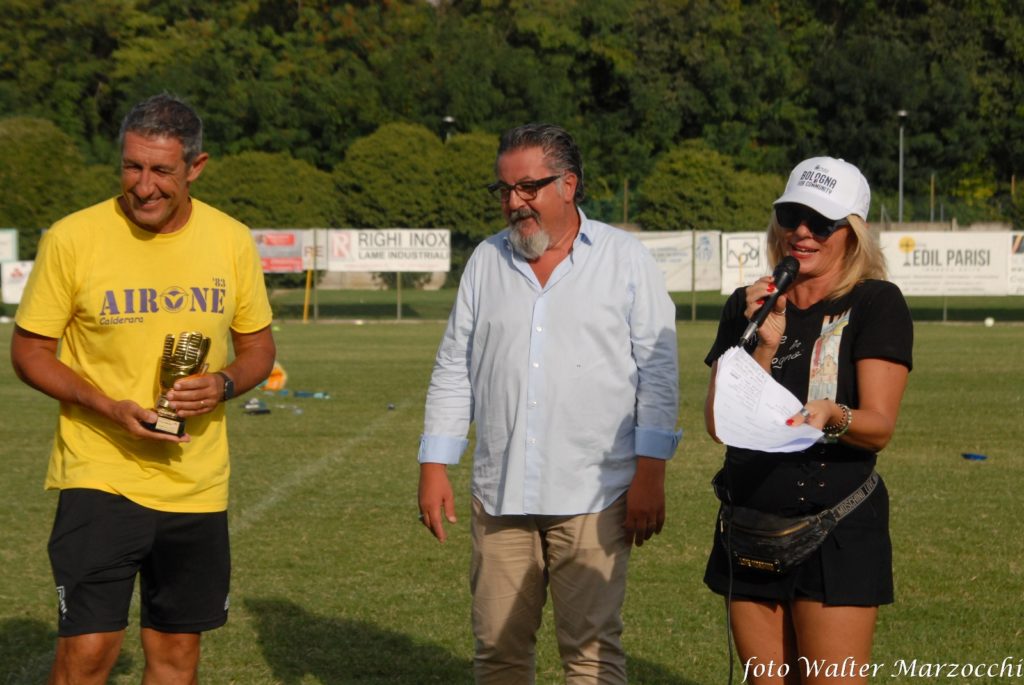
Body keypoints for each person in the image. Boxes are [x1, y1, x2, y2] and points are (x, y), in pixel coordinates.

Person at [10, 93, 276, 685]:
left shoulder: (231, 239)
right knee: (87, 654)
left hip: (195, 481)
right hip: (100, 472)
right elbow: (28, 352)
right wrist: (106, 406)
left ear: (196, 167)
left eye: (161, 170)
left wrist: (223, 384)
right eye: (132, 166)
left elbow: (259, 349)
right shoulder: (73, 237)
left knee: (177, 657)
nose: (144, 185)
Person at [417, 123, 681, 685]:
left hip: (595, 493)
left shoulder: (625, 259)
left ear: (569, 184)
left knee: (591, 655)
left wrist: (651, 471)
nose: (514, 202)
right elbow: (454, 366)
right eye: (505, 189)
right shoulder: (486, 261)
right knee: (499, 653)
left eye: (528, 187)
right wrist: (434, 462)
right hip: (500, 492)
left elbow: (657, 373)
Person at [703, 157, 913, 685]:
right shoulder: (747, 305)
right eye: (791, 216)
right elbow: (720, 422)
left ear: (852, 233)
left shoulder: (876, 303)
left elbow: (879, 426)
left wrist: (833, 415)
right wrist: (761, 345)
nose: (801, 232)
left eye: (820, 222)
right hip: (751, 525)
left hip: (837, 528)